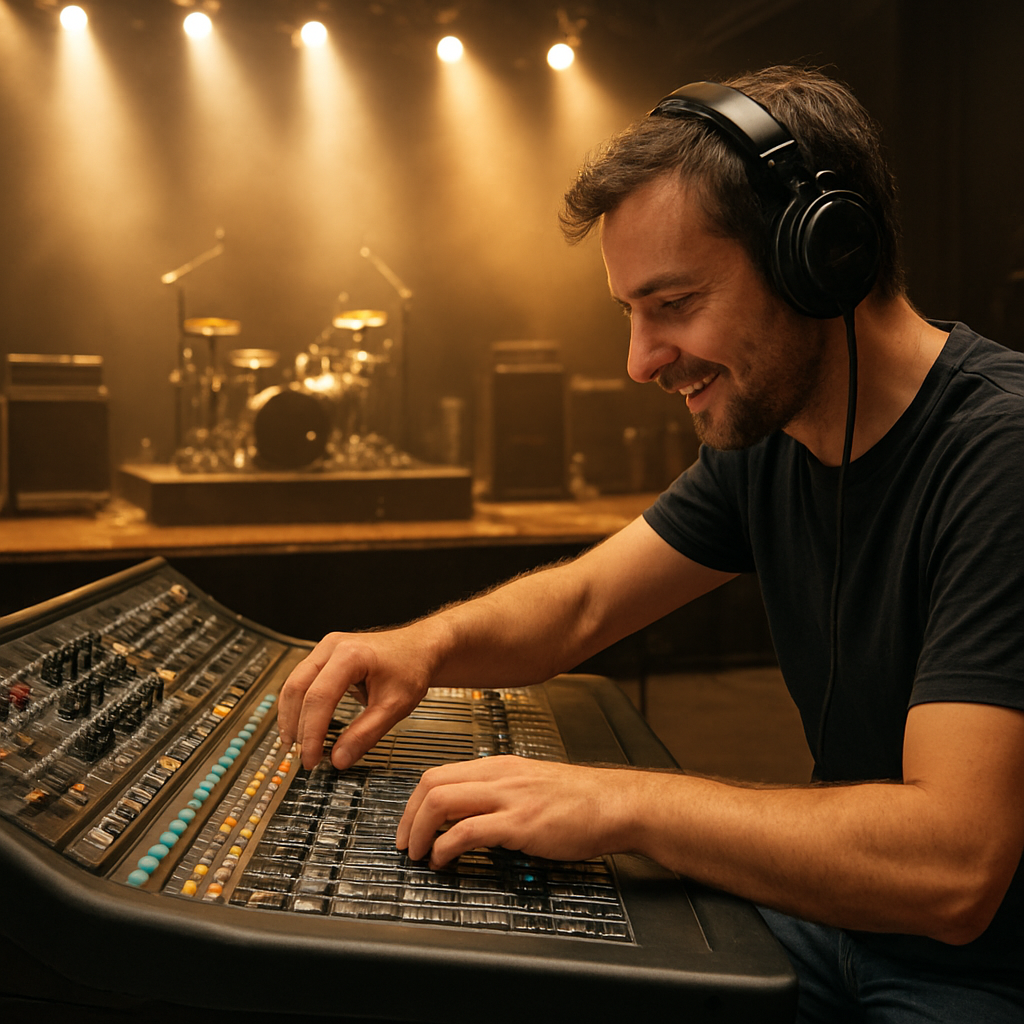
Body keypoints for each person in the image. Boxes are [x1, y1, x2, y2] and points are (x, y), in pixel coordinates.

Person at [278, 66, 1024, 1021]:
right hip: (840, 919)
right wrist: (422, 647)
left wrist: (623, 805)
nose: (639, 361)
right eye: (630, 314)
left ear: (822, 257)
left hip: (982, 969)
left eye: (673, 305)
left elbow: (952, 871)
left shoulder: (1000, 456)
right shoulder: (779, 433)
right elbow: (584, 603)